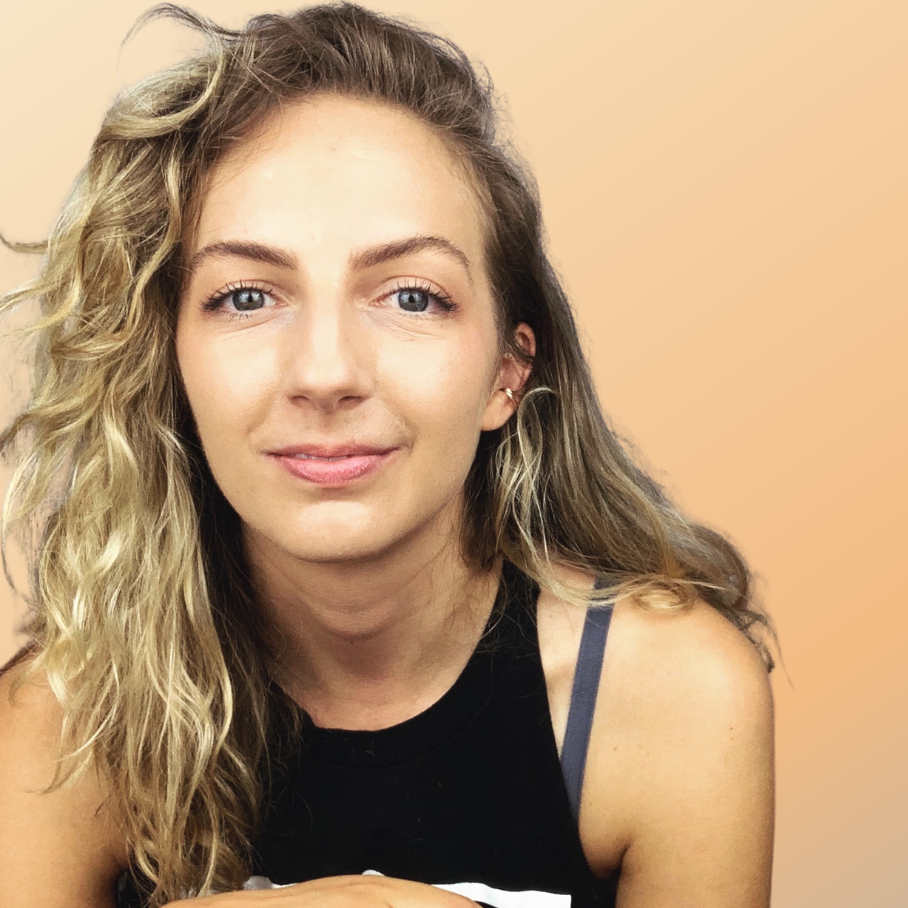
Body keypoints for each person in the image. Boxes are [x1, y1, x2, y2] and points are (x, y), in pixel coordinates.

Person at [0, 4, 775, 906]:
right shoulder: (65, 719)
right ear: (168, 361)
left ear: (506, 373)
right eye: (246, 295)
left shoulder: (671, 699)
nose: (325, 374)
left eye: (410, 297)